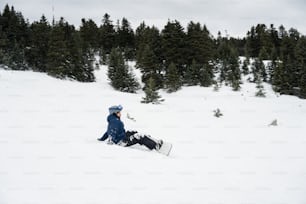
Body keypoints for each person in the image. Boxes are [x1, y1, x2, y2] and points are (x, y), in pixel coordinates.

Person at [98, 105, 163, 151]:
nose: (120, 114)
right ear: (114, 113)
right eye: (118, 112)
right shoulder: (115, 121)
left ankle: (150, 141)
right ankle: (155, 146)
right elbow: (112, 131)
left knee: (132, 132)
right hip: (121, 142)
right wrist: (111, 141)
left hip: (122, 137)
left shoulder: (113, 120)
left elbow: (108, 131)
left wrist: (102, 139)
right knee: (139, 136)